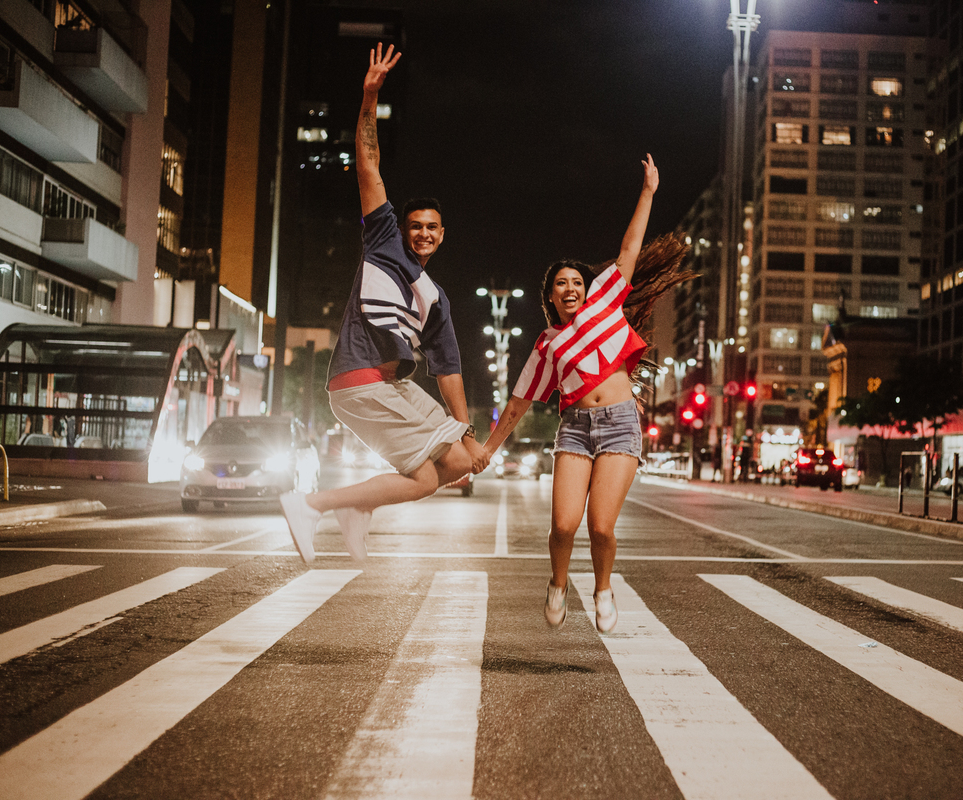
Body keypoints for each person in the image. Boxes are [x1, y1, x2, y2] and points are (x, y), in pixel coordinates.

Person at [280, 43, 485, 564]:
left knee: (454, 464)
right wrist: (369, 97)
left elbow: (450, 370)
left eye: (430, 227)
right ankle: (314, 504)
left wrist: (469, 436)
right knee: (421, 479)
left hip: (391, 385)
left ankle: (357, 508)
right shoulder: (383, 240)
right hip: (359, 382)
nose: (421, 233)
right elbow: (368, 166)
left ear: (442, 235)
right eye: (415, 225)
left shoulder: (434, 297)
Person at [473, 154, 691, 634]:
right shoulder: (546, 344)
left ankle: (603, 588)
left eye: (575, 281)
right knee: (564, 526)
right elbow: (518, 404)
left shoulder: (607, 303)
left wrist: (649, 191)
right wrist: (488, 450)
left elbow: (630, 247)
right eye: (560, 285)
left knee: (601, 527)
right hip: (574, 430)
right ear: (549, 296)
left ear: (586, 288)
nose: (569, 288)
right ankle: (557, 584)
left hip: (618, 424)